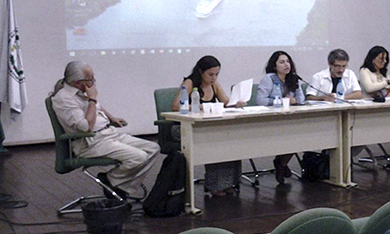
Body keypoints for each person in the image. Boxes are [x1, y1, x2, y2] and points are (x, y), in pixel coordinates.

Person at [51, 61, 159, 200]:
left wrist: (111, 118)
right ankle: (114, 182)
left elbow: (98, 108)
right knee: (139, 157)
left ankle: (117, 185)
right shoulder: (63, 98)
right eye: (90, 79)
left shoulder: (82, 91)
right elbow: (86, 127)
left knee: (153, 148)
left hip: (107, 133)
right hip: (90, 142)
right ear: (78, 82)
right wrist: (92, 99)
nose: (93, 82)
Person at [171, 55, 246, 197]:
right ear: (200, 72)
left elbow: (226, 102)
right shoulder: (189, 83)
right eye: (210, 74)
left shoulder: (214, 84)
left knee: (229, 138)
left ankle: (229, 182)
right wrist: (197, 106)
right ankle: (215, 185)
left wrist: (236, 103)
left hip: (206, 127)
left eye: (217, 74)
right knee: (215, 141)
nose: (214, 78)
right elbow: (175, 106)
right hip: (184, 128)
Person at [256, 50, 305, 184]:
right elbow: (260, 100)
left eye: (288, 61)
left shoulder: (293, 78)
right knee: (290, 135)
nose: (286, 65)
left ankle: (281, 163)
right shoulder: (269, 79)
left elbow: (301, 98)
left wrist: (294, 101)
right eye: (282, 62)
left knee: (298, 135)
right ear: (274, 65)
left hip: (291, 118)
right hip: (272, 119)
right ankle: (281, 163)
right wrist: (280, 101)